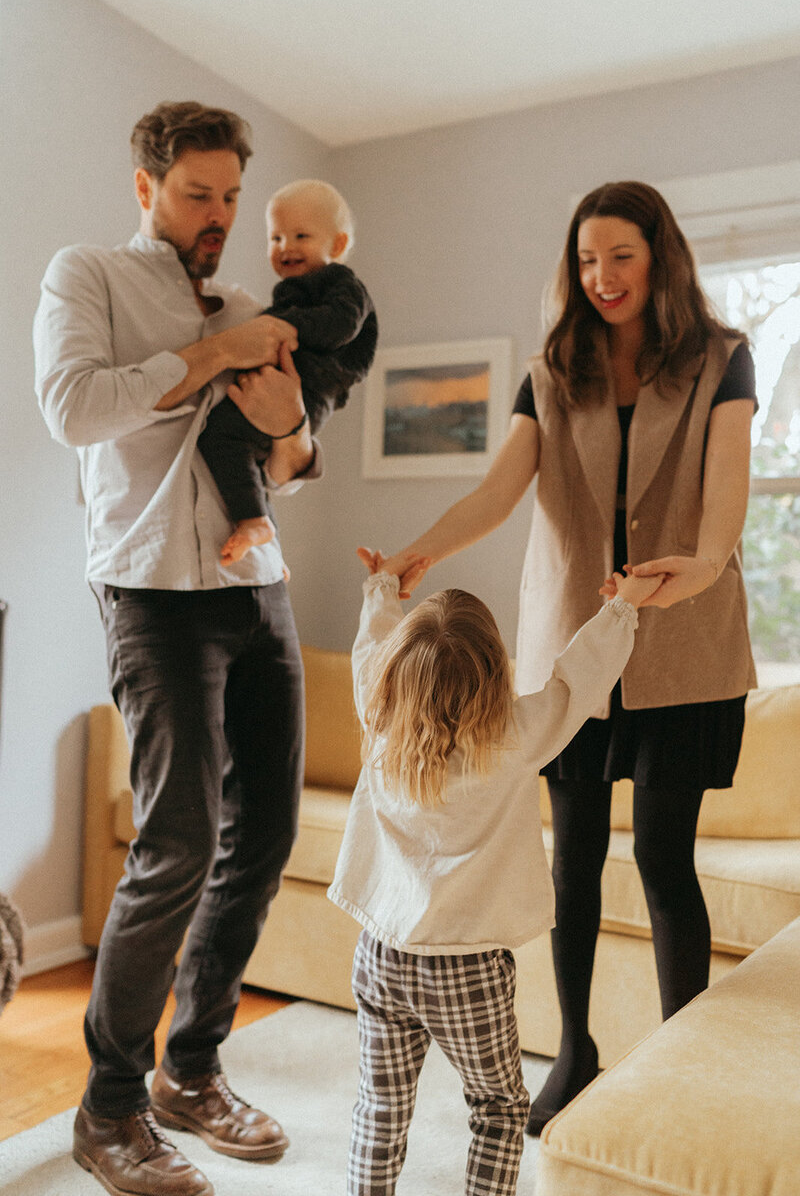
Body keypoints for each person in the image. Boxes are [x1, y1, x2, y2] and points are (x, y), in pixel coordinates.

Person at [372, 180, 757, 1137]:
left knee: (667, 862)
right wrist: (424, 550)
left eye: (621, 256)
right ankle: (575, 1053)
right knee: (572, 863)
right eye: (587, 260)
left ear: (659, 256)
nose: (602, 277)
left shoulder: (723, 359)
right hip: (570, 657)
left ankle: (678, 1063)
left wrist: (700, 568)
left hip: (686, 640)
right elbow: (501, 492)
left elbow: (725, 500)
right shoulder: (551, 369)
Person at [34, 100, 324, 1196]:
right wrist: (215, 355)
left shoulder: (250, 301)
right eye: (196, 193)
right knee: (179, 842)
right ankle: (107, 1110)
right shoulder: (90, 276)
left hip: (258, 586)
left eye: (230, 197)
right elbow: (72, 407)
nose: (217, 216)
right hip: (152, 592)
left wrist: (293, 425)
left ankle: (190, 1074)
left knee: (267, 834)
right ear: (147, 186)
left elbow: (296, 466)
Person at [329, 556, 659, 1196]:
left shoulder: (378, 717)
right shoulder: (515, 735)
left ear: (398, 672)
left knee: (380, 1104)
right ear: (494, 670)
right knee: (499, 1107)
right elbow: (577, 680)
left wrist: (382, 589)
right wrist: (624, 606)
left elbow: (370, 647)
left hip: (381, 954)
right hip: (468, 967)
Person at [198, 178, 378, 565]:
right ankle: (255, 519)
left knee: (226, 434)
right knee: (219, 434)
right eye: (276, 238)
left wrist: (283, 327)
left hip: (313, 388)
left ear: (338, 245)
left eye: (300, 235)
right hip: (286, 384)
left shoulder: (342, 284)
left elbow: (341, 325)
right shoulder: (291, 291)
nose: (286, 247)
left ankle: (255, 520)